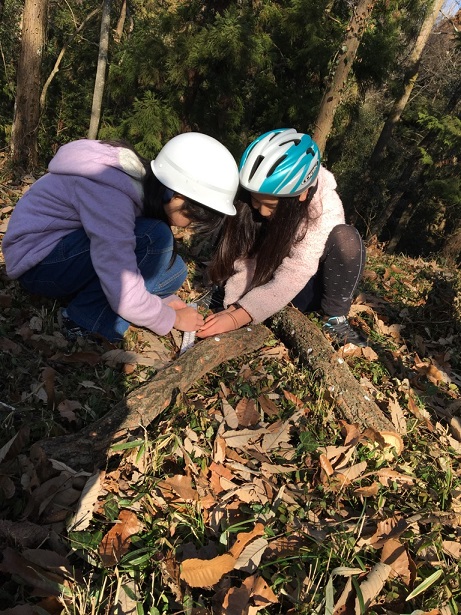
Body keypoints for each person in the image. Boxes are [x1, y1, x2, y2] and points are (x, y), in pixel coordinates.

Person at [3, 133, 239, 342]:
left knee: (174, 270)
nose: (189, 227)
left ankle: (102, 301)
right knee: (154, 237)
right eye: (194, 218)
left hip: (63, 252)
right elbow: (120, 279)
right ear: (177, 196)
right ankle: (83, 320)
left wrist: (165, 300)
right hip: (38, 264)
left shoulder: (135, 184)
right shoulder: (111, 194)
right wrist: (169, 318)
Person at [197, 128, 367, 347]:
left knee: (346, 239)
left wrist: (238, 315)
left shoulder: (325, 210)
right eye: (256, 200)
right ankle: (221, 289)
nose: (262, 211)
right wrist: (232, 302)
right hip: (266, 274)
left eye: (270, 205)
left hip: (302, 285)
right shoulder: (255, 205)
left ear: (302, 194)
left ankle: (335, 319)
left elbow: (296, 272)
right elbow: (245, 256)